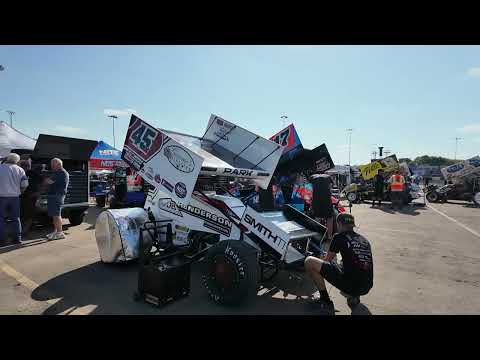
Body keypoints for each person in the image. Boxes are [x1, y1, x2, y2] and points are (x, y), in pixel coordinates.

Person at [304, 213, 373, 311]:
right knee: (345, 264)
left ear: (339, 224)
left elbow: (327, 260)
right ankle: (354, 296)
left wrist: (321, 258)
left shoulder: (338, 236)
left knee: (310, 262)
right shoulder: (364, 240)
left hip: (352, 285)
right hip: (367, 286)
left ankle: (325, 300)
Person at [0, 153, 29, 246]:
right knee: (16, 218)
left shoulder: (0, 168)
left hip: (2, 197)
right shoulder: (20, 170)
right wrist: (20, 192)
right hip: (15, 197)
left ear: (7, 159)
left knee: (1, 219)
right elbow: (25, 184)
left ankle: (2, 240)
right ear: (17, 161)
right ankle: (17, 239)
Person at [45, 158, 69, 240]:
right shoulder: (59, 172)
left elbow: (49, 181)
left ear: (59, 164)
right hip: (56, 195)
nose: (52, 166)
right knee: (55, 215)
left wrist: (45, 180)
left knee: (56, 215)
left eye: (53, 165)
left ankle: (60, 232)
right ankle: (56, 231)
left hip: (56, 196)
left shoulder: (60, 172)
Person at [20, 163, 45, 235]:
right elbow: (43, 183)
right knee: (26, 213)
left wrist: (38, 192)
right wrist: (39, 192)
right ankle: (23, 229)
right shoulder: (23, 173)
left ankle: (24, 230)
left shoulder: (33, 173)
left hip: (29, 196)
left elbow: (43, 182)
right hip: (26, 196)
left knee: (27, 213)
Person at [309, 173, 334, 241]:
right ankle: (329, 236)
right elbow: (330, 188)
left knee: (317, 218)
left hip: (316, 200)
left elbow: (310, 189)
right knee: (330, 218)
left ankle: (319, 236)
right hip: (326, 200)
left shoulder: (312, 177)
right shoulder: (328, 176)